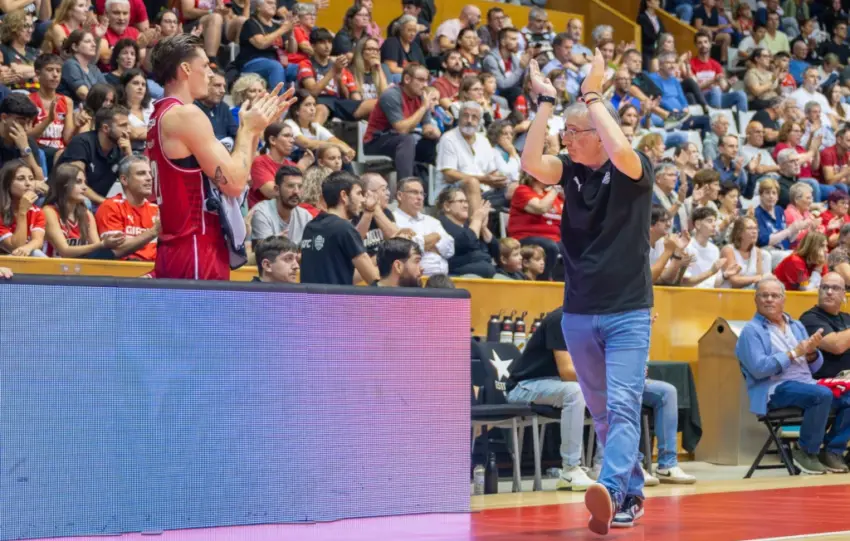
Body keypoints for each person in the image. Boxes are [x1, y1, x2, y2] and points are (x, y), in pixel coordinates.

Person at [520, 51, 654, 533]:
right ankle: (631, 493)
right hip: (578, 312)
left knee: (620, 405)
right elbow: (530, 160)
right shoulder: (570, 171)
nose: (566, 140)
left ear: (600, 131)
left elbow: (621, 152)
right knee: (601, 411)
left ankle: (613, 490)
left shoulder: (634, 170)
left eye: (575, 133)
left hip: (628, 312)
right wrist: (547, 103)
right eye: (566, 132)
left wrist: (594, 94)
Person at [146, 34, 295, 280]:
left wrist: (255, 131)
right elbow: (235, 184)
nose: (210, 74)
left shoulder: (159, 115)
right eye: (204, 66)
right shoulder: (186, 115)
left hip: (180, 245)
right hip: (196, 246)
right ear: (185, 69)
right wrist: (245, 129)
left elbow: (239, 174)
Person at [736, 277, 850, 474]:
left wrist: (812, 353)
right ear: (756, 299)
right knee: (821, 394)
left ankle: (833, 451)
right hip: (774, 388)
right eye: (764, 295)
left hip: (805, 382)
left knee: (847, 396)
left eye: (774, 295)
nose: (769, 300)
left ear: (783, 299)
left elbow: (814, 367)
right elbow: (758, 369)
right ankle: (805, 450)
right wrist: (793, 353)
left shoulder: (795, 325)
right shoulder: (751, 331)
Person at [504, 307, 594, 492]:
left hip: (554, 385)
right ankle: (570, 469)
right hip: (524, 385)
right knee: (575, 392)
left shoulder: (594, 321)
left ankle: (604, 465)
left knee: (611, 390)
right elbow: (567, 372)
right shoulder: (560, 319)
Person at [299, 171, 380, 285]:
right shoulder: (344, 228)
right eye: (358, 193)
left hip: (309, 301)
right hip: (336, 301)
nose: (362, 200)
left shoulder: (310, 227)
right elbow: (373, 279)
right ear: (344, 196)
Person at [94, 155, 159, 261]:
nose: (149, 178)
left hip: (153, 272)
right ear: (124, 180)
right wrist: (153, 232)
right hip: (122, 271)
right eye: (141, 173)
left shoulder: (156, 210)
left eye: (150, 173)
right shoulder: (111, 207)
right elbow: (116, 250)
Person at [801, 272, 850, 378]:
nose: (829, 292)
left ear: (843, 294)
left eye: (835, 288)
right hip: (830, 381)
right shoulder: (809, 318)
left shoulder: (847, 318)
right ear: (819, 291)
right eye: (825, 287)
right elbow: (836, 346)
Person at [250, 164, 313, 244]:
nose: (296, 191)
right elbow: (264, 253)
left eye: (300, 186)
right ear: (277, 190)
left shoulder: (305, 217)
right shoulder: (262, 213)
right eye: (290, 186)